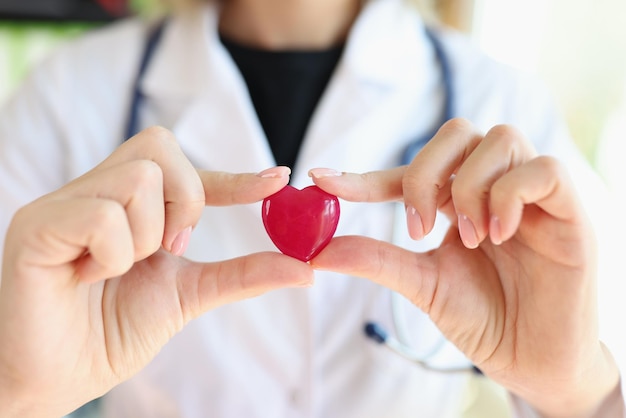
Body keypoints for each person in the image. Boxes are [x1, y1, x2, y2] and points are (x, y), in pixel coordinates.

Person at [0, 0, 624, 416]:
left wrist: (574, 391)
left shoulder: (505, 103)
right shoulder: (65, 98)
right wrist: (18, 393)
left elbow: (600, 364)